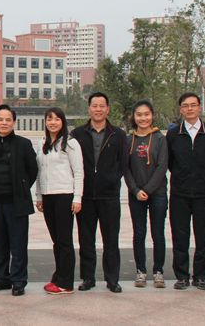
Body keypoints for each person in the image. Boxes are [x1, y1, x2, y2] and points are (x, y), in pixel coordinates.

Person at [71, 92, 127, 293]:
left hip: (109, 196)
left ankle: (112, 279)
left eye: (102, 106)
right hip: (85, 196)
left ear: (107, 109)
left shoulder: (118, 135)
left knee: (111, 240)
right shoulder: (77, 134)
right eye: (94, 106)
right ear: (89, 109)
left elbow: (123, 163)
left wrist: (112, 179)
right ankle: (88, 278)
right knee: (86, 240)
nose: (98, 109)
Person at [0, 104, 38, 297]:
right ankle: (1, 278)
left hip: (16, 203)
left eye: (8, 119)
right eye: (0, 119)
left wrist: (22, 188)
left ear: (14, 122)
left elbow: (32, 170)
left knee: (18, 244)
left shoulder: (23, 144)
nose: (4, 123)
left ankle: (18, 280)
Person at [167, 92, 205, 291]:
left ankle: (200, 276)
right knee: (180, 237)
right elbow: (170, 163)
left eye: (193, 105)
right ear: (181, 109)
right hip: (179, 194)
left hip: (204, 195)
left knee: (202, 237)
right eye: (185, 105)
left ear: (199, 107)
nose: (189, 109)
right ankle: (182, 276)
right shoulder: (173, 135)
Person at [35, 107, 83, 295]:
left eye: (56, 119)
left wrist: (77, 198)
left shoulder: (71, 143)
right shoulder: (42, 143)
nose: (52, 122)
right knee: (56, 240)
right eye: (49, 119)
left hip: (64, 195)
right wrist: (39, 196)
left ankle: (66, 282)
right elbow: (40, 172)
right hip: (48, 197)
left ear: (63, 121)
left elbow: (78, 172)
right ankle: (59, 275)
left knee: (64, 241)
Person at [124, 101, 169, 288]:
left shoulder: (160, 139)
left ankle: (158, 271)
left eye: (146, 114)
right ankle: (140, 271)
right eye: (139, 115)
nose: (143, 118)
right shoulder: (128, 140)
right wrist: (135, 190)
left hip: (157, 193)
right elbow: (125, 168)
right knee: (139, 233)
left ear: (152, 115)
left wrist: (148, 190)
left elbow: (162, 167)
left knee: (158, 233)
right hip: (136, 194)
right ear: (134, 117)